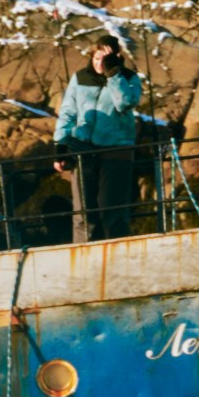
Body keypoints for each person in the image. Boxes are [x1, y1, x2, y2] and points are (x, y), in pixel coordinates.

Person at [52, 33, 148, 241]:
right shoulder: (80, 78)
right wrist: (60, 145)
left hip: (116, 152)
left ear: (116, 57)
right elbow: (68, 112)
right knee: (83, 213)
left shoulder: (129, 78)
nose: (99, 64)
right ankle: (84, 256)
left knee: (112, 210)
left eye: (104, 59)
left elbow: (124, 103)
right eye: (96, 58)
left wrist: (113, 74)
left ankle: (118, 252)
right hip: (82, 150)